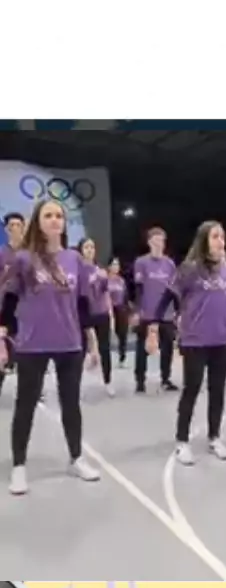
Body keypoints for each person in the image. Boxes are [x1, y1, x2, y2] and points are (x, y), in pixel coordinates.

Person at [0, 200, 100, 495]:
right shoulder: (24, 259)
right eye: (48, 215)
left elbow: (83, 305)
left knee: (71, 403)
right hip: (32, 344)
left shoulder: (74, 259)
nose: (55, 220)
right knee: (26, 404)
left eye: (59, 215)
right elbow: (8, 302)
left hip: (69, 343)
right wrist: (2, 337)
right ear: (38, 221)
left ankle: (76, 458)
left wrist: (91, 341)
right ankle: (19, 467)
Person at [147, 220, 226, 466]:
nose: (221, 241)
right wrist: (153, 327)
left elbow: (225, 301)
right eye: (215, 237)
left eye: (222, 237)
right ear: (204, 241)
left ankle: (214, 437)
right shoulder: (189, 269)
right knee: (192, 389)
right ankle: (182, 441)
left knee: (218, 390)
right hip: (195, 340)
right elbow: (166, 298)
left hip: (221, 339)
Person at [133, 227, 178, 393]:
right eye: (156, 240)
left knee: (167, 347)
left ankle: (165, 378)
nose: (160, 243)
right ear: (149, 242)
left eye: (162, 240)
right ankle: (140, 380)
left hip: (166, 313)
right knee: (142, 348)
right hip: (147, 312)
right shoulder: (141, 263)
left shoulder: (170, 264)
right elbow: (138, 289)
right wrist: (138, 310)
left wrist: (176, 310)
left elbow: (174, 290)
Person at [78, 238, 115, 397]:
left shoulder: (101, 271)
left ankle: (108, 381)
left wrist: (110, 313)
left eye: (92, 247)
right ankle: (75, 384)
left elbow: (106, 294)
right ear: (81, 250)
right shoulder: (78, 270)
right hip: (85, 313)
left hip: (101, 313)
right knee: (80, 349)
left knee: (105, 348)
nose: (89, 250)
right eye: (86, 247)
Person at [0, 212, 25, 395]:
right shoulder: (2, 254)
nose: (15, 229)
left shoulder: (29, 253)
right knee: (4, 352)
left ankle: (32, 389)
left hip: (26, 305)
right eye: (11, 226)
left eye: (18, 225)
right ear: (6, 229)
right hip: (6, 306)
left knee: (28, 351)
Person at [108, 257, 128, 367]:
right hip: (109, 308)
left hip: (121, 309)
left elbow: (125, 297)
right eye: (114, 264)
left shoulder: (121, 281)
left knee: (122, 333)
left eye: (117, 265)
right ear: (109, 266)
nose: (116, 267)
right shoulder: (105, 280)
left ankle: (122, 356)